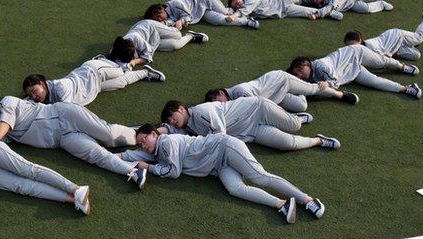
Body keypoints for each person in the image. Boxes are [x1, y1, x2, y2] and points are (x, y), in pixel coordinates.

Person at [120, 125, 326, 223]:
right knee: (235, 189)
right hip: (217, 166)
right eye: (140, 144)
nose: (143, 146)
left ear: (154, 134)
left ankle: (308, 200)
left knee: (259, 176)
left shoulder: (167, 142)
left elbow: (173, 172)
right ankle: (282, 204)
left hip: (225, 147)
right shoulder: (157, 151)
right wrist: (116, 156)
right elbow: (135, 154)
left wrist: (147, 167)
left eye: (144, 140)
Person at [0, 96, 147, 187]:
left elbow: (4, 126)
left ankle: (150, 134)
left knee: (109, 136)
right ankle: (133, 171)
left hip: (65, 115)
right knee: (97, 155)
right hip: (62, 139)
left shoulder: (6, 103)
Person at [159, 98, 341, 152]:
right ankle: (318, 140)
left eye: (172, 116)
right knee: (287, 144)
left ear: (181, 109)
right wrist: (158, 130)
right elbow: (171, 130)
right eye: (170, 121)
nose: (173, 121)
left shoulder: (202, 111)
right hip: (250, 132)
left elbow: (220, 135)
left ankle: (297, 116)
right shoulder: (188, 126)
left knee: (294, 126)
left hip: (257, 108)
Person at [288, 44, 422, 99]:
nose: (300, 74)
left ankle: (402, 66)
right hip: (350, 72)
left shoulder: (322, 66)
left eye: (300, 69)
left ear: (307, 63)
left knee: (381, 62)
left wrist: (327, 84)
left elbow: (334, 83)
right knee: (374, 81)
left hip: (356, 53)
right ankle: (407, 88)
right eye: (297, 74)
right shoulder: (308, 76)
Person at [21, 57, 164, 107]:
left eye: (34, 91)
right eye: (31, 94)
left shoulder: (60, 87)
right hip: (93, 87)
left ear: (42, 83)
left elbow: (65, 110)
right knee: (121, 83)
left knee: (121, 70)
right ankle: (146, 72)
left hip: (94, 70)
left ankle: (112, 61)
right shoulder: (42, 95)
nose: (34, 96)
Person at [204, 69, 359, 113]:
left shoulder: (239, 91)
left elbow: (258, 105)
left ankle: (340, 94)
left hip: (280, 80)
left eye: (217, 102)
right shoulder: (231, 98)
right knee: (301, 107)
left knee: (312, 89)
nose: (218, 105)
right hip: (274, 96)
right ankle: (301, 87)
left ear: (220, 94)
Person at [122, 3, 209, 63]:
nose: (160, 18)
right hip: (152, 37)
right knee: (174, 45)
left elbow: (147, 57)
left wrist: (134, 62)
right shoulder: (120, 46)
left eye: (160, 14)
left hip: (150, 27)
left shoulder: (136, 39)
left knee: (178, 34)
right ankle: (191, 36)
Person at [344, 11, 423, 61]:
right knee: (416, 55)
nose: (350, 47)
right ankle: (410, 44)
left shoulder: (371, 46)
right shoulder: (362, 49)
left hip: (397, 36)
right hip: (392, 46)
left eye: (351, 44)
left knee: (418, 38)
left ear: (359, 40)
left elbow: (382, 59)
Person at [166, 0, 260, 29]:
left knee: (225, 12)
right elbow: (171, 21)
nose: (160, 19)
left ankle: (237, 13)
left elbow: (187, 17)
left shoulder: (175, 4)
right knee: (218, 20)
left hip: (204, 1)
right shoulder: (167, 15)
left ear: (162, 10)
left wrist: (181, 21)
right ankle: (246, 21)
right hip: (199, 12)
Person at [229, 0, 338, 22]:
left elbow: (245, 9)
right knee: (309, 13)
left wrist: (236, 14)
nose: (238, 3)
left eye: (236, 1)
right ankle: (332, 13)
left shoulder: (250, 2)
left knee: (312, 1)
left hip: (283, 1)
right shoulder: (249, 11)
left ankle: (332, 4)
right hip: (284, 11)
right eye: (236, 5)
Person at [307, 0, 393, 16]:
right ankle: (381, 4)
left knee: (367, 6)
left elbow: (332, 6)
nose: (315, 1)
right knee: (366, 9)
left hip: (349, 2)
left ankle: (381, 3)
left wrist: (317, 14)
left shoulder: (331, 2)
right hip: (349, 4)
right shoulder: (322, 3)